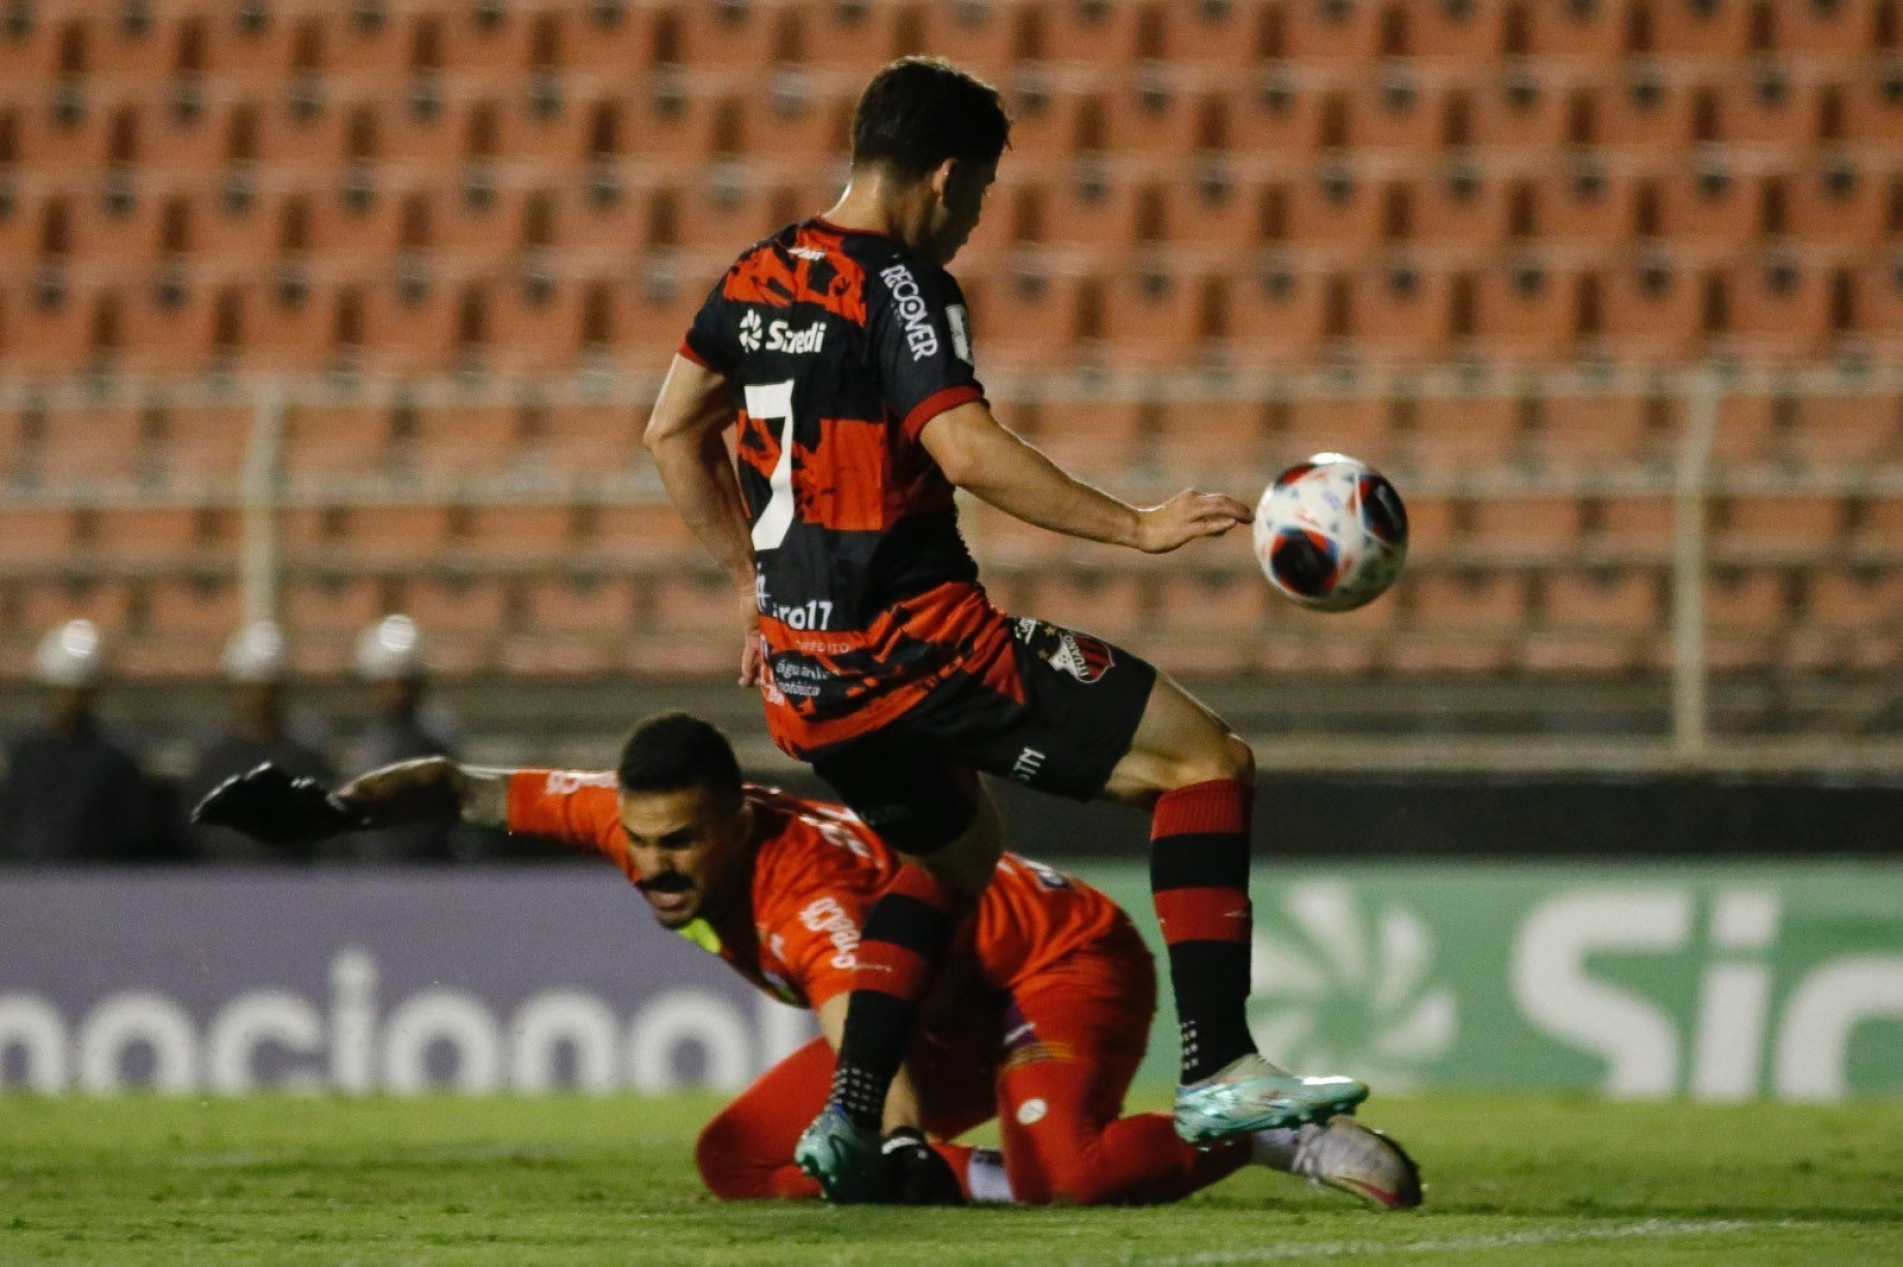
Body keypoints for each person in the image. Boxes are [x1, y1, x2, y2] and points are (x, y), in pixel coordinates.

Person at [642, 55, 1364, 1199]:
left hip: (806, 685)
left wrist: (752, 585)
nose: (974, 218)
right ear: (944, 175)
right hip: (919, 647)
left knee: (954, 859)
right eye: (977, 193)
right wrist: (1135, 525)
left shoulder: (755, 272)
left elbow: (672, 431)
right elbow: (965, 446)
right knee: (1204, 762)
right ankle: (1220, 1063)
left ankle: (852, 1111)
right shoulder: (903, 284)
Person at [195, 712, 1420, 1210]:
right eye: (642, 840)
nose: (657, 865)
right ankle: (981, 1178)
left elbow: (857, 1021)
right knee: (736, 1160)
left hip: (1049, 961)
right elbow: (460, 785)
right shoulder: (626, 816)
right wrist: (331, 811)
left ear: (737, 818)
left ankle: (1270, 1138)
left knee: (1071, 1178)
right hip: (936, 1003)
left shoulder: (803, 891)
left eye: (683, 842)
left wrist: (897, 1142)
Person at [0, 619, 167, 864]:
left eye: (76, 692)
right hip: (33, 881)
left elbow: (133, 836)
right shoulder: (25, 757)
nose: (67, 701)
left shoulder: (115, 762)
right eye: (60, 690)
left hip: (95, 882)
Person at [182, 621, 336, 863]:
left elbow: (324, 834)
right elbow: (193, 833)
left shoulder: (305, 761)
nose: (259, 699)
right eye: (250, 688)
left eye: (267, 690)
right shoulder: (212, 762)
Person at [336, 613, 460, 863]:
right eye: (387, 684)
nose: (396, 694)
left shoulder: (436, 740)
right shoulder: (365, 742)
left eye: (404, 684)